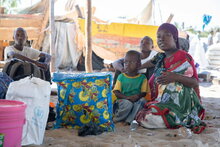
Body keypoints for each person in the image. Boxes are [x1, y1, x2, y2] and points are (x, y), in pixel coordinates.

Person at [136, 23, 205, 133]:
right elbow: (146, 64)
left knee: (148, 117)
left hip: (181, 105)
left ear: (174, 38)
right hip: (162, 101)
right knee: (143, 114)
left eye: (167, 35)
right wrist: (134, 67)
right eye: (158, 36)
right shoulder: (160, 57)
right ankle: (165, 118)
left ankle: (176, 118)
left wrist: (175, 77)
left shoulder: (183, 56)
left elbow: (195, 82)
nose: (161, 39)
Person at [113, 50, 150, 124]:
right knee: (128, 104)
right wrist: (127, 98)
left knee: (143, 101)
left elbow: (144, 92)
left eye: (131, 62)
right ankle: (117, 119)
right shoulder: (121, 77)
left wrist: (137, 96)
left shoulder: (142, 78)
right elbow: (116, 91)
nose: (127, 64)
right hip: (123, 100)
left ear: (139, 64)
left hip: (136, 99)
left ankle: (129, 121)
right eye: (126, 62)